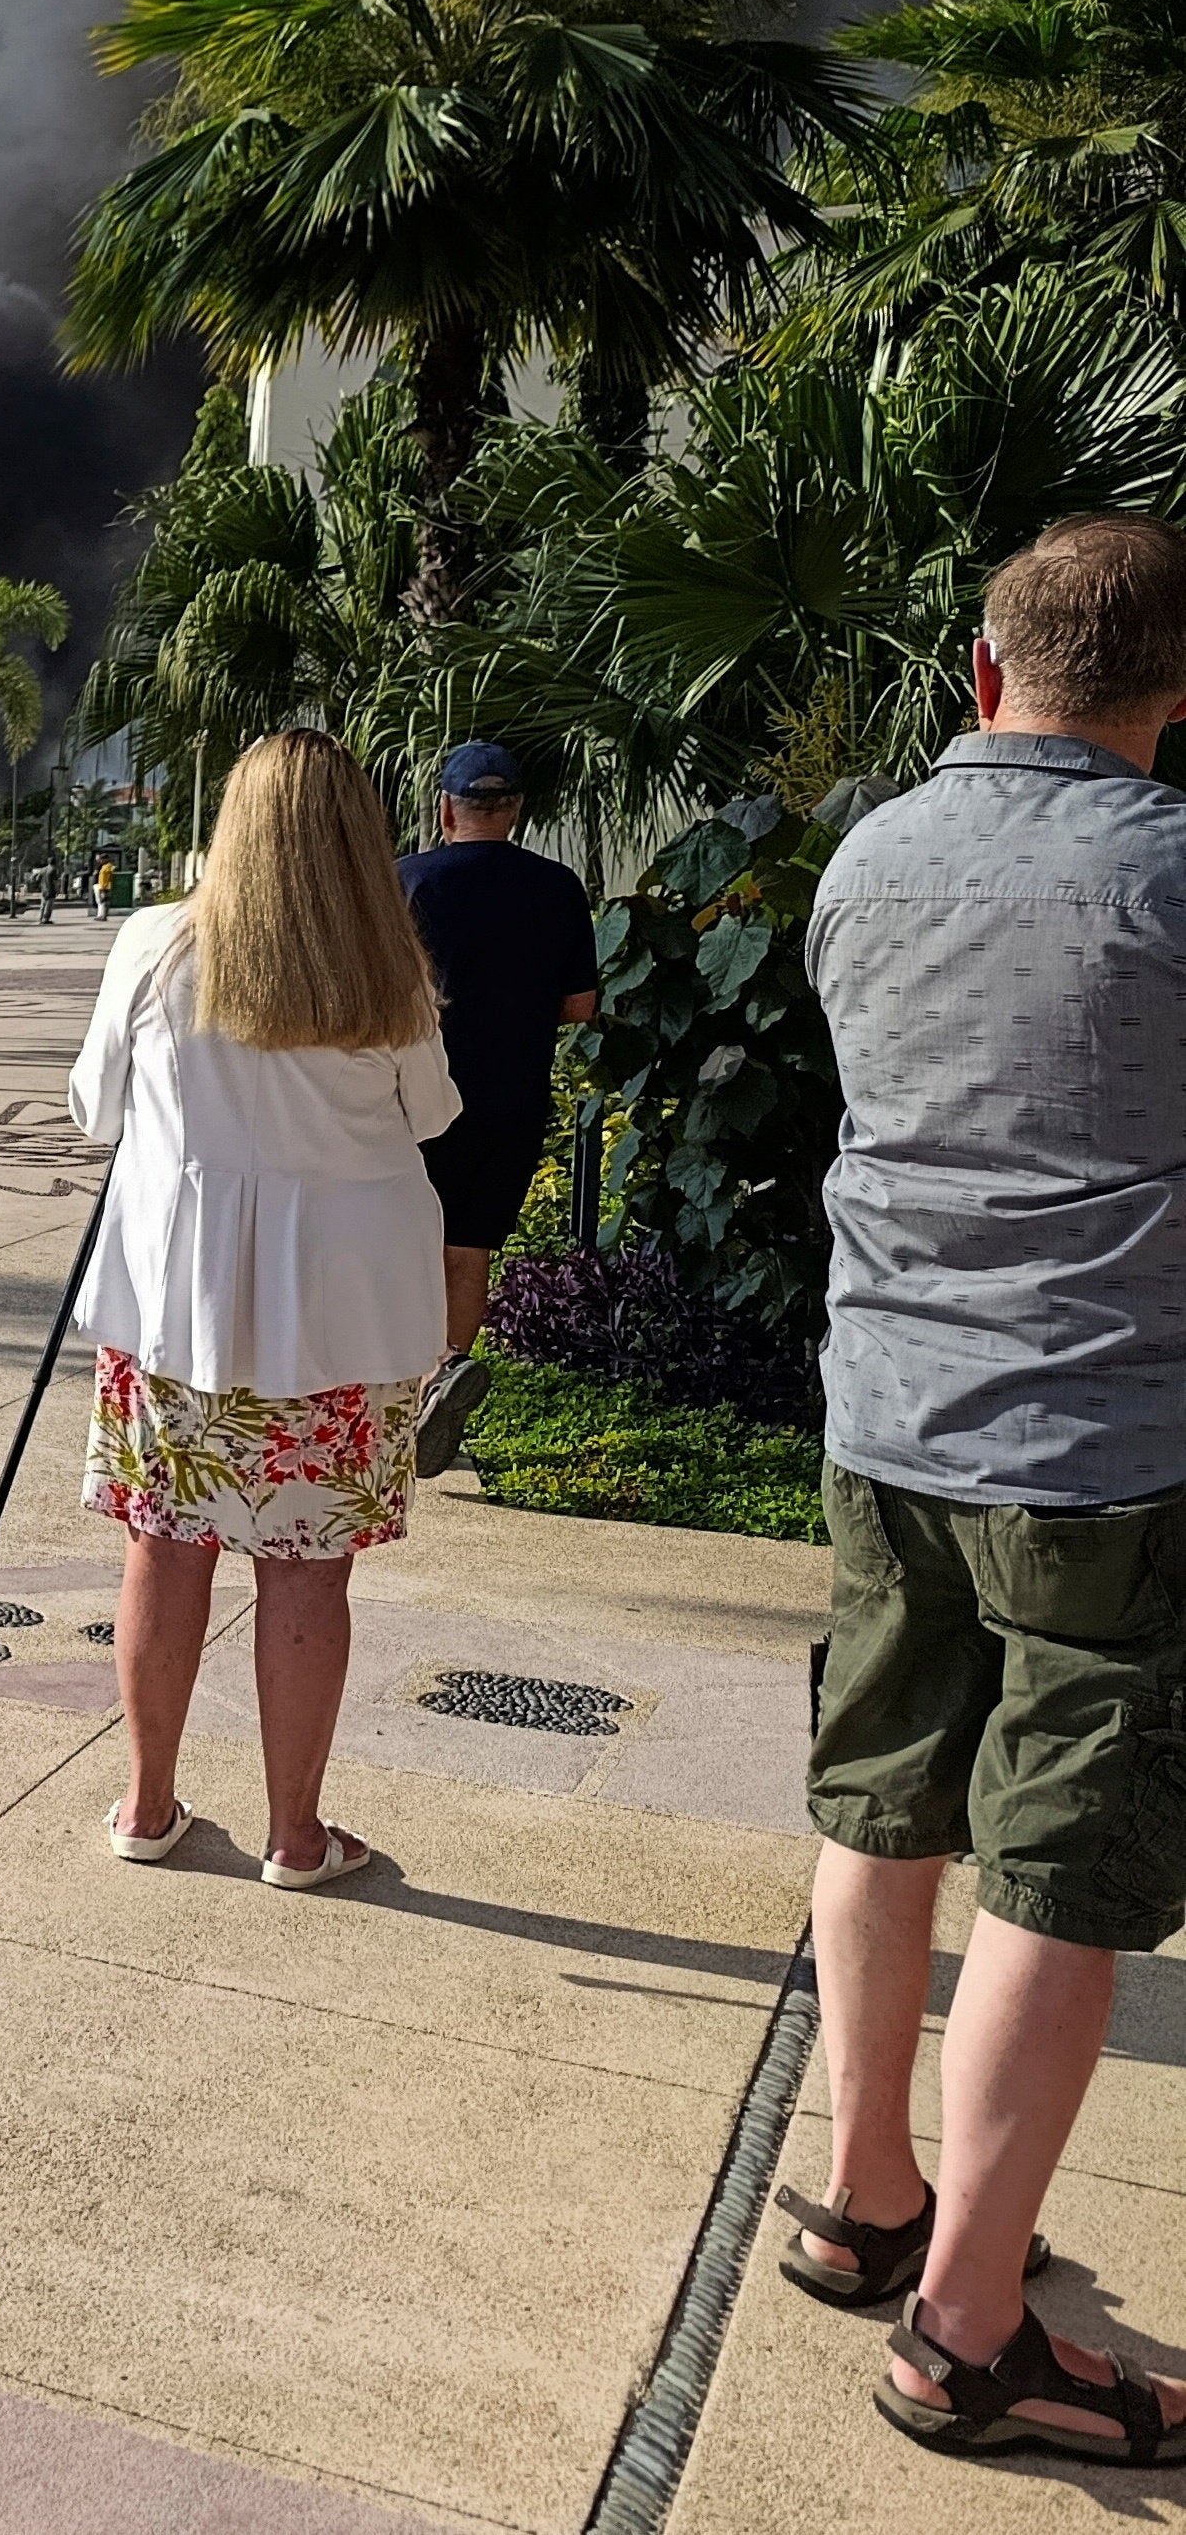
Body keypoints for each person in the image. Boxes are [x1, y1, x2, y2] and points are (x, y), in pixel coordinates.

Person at [788, 510, 1186, 2468]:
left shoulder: (868, 855)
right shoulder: (1169, 873)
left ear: (981, 672)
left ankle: (867, 2190)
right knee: (1060, 1853)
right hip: (1098, 1445)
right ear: (1169, 694)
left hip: (885, 1419)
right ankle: (963, 2327)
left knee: (879, 1791)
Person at [72, 729, 459, 1890]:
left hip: (178, 1306)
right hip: (339, 1321)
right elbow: (434, 1114)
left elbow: (97, 1106)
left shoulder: (155, 945)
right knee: (307, 1569)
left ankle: (148, 1805)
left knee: (163, 1546)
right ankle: (297, 1833)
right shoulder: (382, 971)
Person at [396, 742, 599, 1473]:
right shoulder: (556, 887)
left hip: (412, 1099)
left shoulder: (405, 882)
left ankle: (388, 1396)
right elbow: (580, 1005)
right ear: (514, 811)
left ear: (444, 808)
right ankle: (440, 1374)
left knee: (399, 1243)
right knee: (467, 1247)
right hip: (511, 1097)